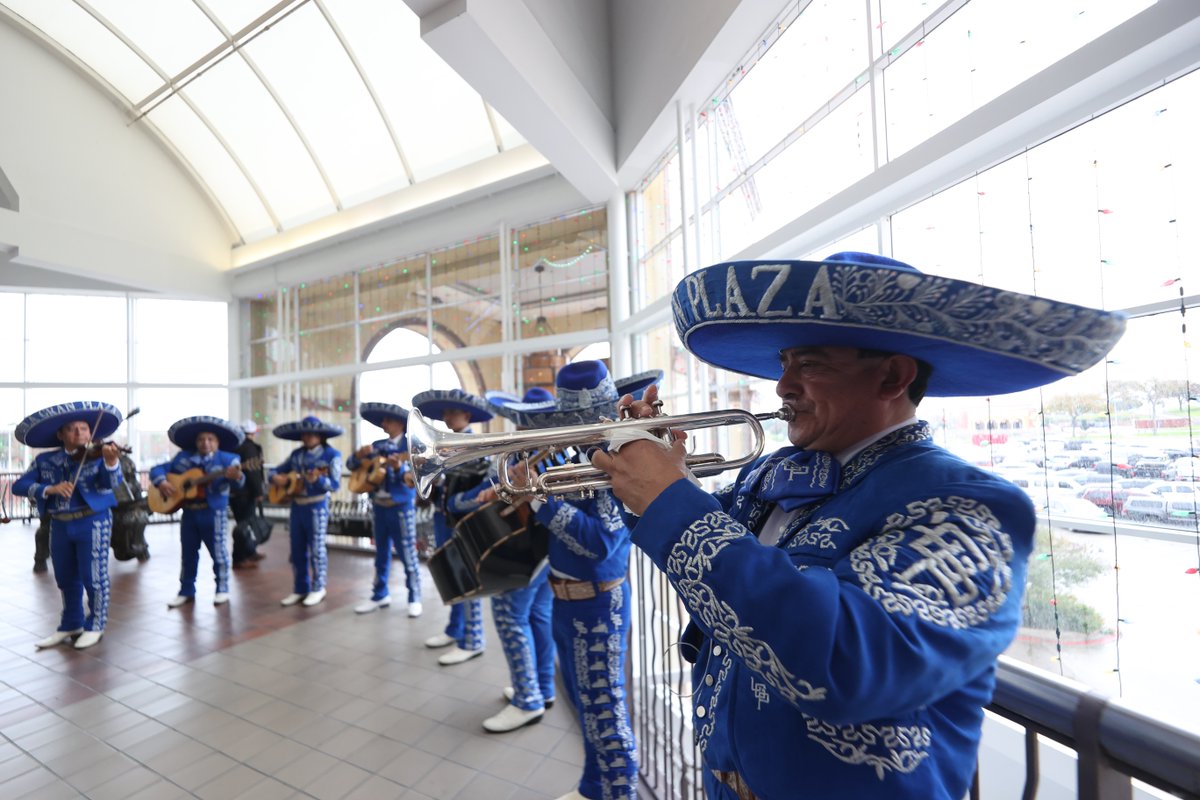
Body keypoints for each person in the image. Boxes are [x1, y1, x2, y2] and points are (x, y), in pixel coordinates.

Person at [591, 252, 1127, 800]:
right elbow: (709, 571)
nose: (782, 385)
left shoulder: (971, 506)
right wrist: (655, 479)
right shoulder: (769, 473)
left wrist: (672, 499)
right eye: (785, 362)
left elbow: (846, 663)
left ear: (893, 377)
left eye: (810, 364)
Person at [501, 362, 660, 799]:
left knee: (605, 712)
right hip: (567, 599)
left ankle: (618, 791)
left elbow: (600, 543)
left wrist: (539, 501)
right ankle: (595, 787)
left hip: (598, 604)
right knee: (583, 702)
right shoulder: (577, 458)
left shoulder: (616, 463)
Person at [462, 386, 559, 733]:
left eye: (521, 419)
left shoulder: (536, 452)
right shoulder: (550, 450)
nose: (517, 425)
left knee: (510, 618)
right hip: (547, 550)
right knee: (538, 616)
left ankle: (527, 699)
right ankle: (541, 688)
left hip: (525, 550)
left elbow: (531, 497)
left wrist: (500, 491)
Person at [13, 401, 126, 650]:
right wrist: (48, 489)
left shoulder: (99, 456)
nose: (79, 433)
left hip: (93, 521)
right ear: (60, 434)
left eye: (84, 429)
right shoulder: (45, 460)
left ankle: (96, 625)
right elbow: (18, 486)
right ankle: (71, 623)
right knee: (64, 576)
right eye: (72, 429)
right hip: (60, 524)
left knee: (93, 576)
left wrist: (111, 463)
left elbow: (111, 483)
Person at [412, 388, 493, 665]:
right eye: (445, 413)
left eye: (453, 413)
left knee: (468, 578)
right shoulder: (444, 447)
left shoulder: (478, 446)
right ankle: (456, 629)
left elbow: (481, 487)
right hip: (443, 518)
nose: (447, 417)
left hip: (464, 522)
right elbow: (442, 487)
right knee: (452, 575)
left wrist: (454, 497)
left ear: (467, 416)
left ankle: (473, 639)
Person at [150, 416, 245, 608]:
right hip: (189, 514)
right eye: (201, 439)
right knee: (188, 554)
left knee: (218, 552)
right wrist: (162, 482)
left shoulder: (229, 459)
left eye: (210, 439)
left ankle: (222, 588)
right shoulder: (183, 458)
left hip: (214, 513)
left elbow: (240, 483)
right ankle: (186, 590)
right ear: (195, 441)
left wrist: (237, 476)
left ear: (217, 442)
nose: (205, 443)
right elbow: (157, 469)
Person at [347, 402, 422, 617]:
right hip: (379, 507)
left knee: (408, 553)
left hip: (401, 508)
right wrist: (359, 455)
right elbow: (351, 465)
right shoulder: (377, 445)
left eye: (388, 420)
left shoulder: (412, 447)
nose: (384, 424)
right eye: (383, 421)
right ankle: (379, 594)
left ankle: (414, 597)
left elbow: (416, 477)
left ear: (400, 423)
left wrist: (400, 468)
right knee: (380, 553)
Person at [269, 415, 343, 607]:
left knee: (317, 548)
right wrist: (275, 478)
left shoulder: (332, 455)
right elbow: (274, 471)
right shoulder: (296, 455)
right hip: (296, 506)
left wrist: (318, 480)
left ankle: (319, 587)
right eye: (305, 433)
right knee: (297, 549)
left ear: (321, 435)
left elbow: (335, 485)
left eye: (312, 433)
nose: (308, 437)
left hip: (317, 506)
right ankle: (300, 588)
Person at [230, 419, 266, 568]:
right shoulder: (250, 448)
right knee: (244, 526)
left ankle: (250, 551)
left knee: (244, 524)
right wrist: (258, 492)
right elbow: (254, 473)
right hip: (246, 493)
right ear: (253, 433)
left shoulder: (234, 447)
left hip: (235, 493)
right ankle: (239, 558)